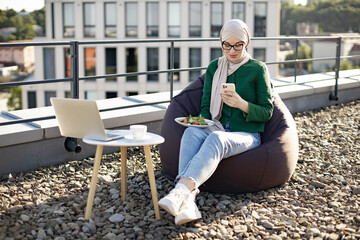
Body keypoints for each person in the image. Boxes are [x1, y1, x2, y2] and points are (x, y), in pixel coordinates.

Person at [158, 19, 274, 225]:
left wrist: (242, 104)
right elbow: (205, 106)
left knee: (217, 139)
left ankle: (180, 191)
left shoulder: (258, 69)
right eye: (226, 45)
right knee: (191, 132)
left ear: (247, 42)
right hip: (216, 125)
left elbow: (267, 112)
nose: (232, 50)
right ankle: (189, 203)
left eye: (238, 44)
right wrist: (201, 122)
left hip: (247, 134)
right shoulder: (215, 68)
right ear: (220, 42)